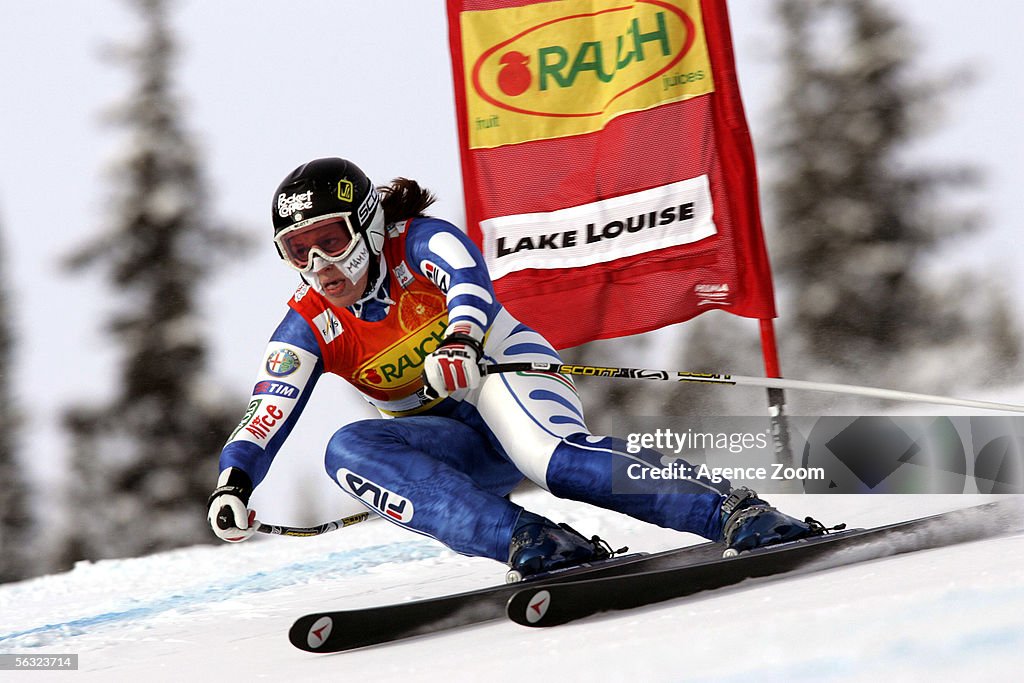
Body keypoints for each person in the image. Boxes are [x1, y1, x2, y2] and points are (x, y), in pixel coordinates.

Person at [206, 157, 819, 578]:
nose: (319, 264)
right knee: (348, 450)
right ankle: (535, 541)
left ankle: (733, 510)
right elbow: (268, 409)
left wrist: (461, 343)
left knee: (550, 461)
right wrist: (234, 482)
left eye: (332, 241)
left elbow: (471, 284)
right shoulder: (310, 324)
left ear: (368, 222)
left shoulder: (419, 243)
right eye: (297, 250)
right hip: (454, 441)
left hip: (505, 380)